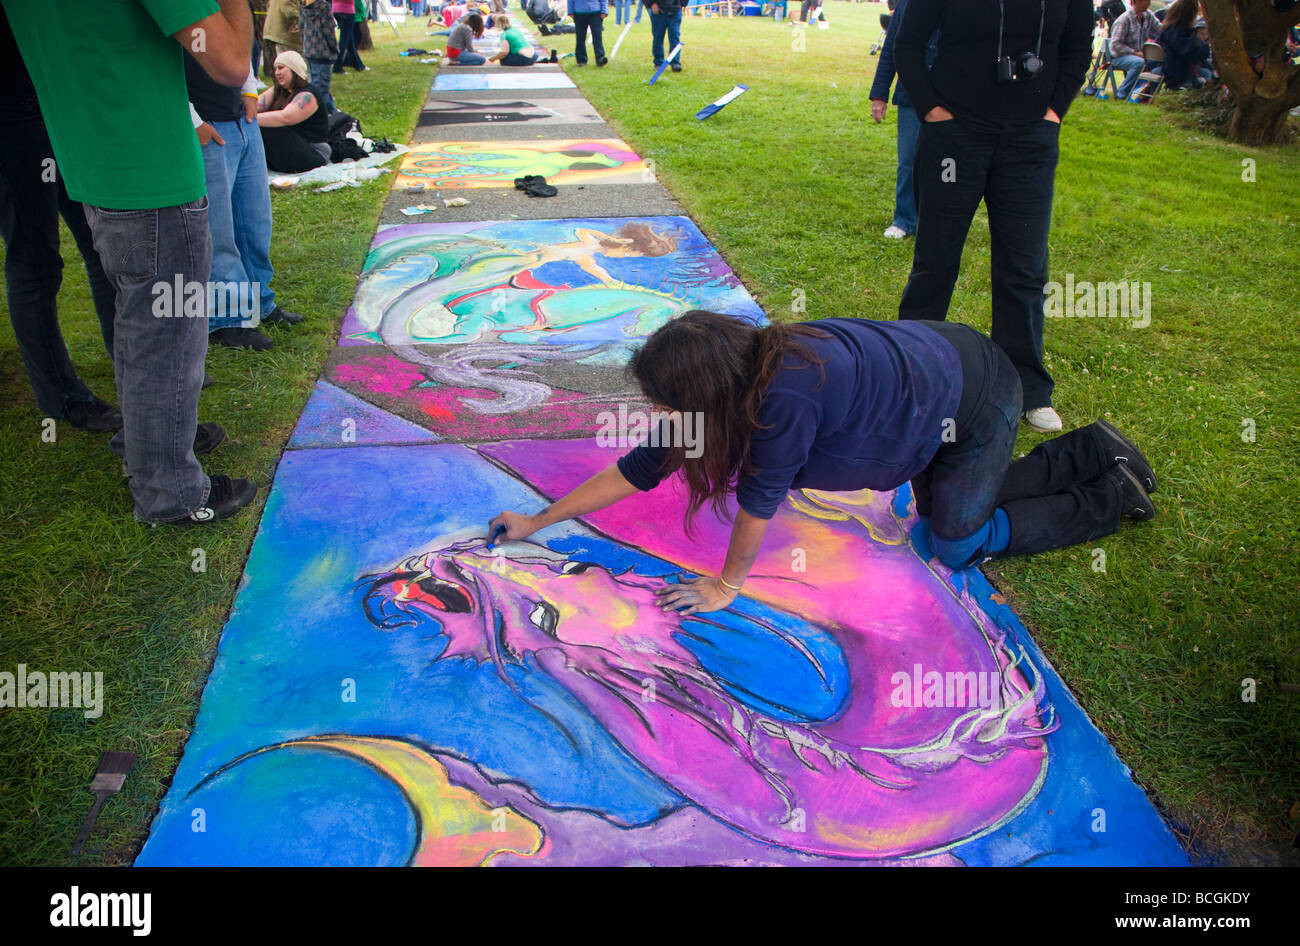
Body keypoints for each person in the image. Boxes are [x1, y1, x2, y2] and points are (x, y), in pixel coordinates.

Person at [488, 312, 1158, 614]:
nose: (666, 419)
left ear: (703, 395)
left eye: (668, 405)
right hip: (937, 384)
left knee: (953, 542)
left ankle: (1112, 493)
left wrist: (727, 586)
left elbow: (757, 509)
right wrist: (537, 521)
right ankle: (1093, 448)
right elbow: (636, 468)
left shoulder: (782, 403)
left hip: (976, 398)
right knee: (942, 514)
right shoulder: (733, 374)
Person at [3, 0, 259, 525]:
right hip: (152, 171)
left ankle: (152, 440)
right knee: (166, 335)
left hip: (95, 162)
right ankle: (169, 489)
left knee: (137, 318)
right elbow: (231, 63)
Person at [893, 0, 1094, 434]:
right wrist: (932, 110)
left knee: (1023, 267)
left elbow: (1079, 47)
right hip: (955, 134)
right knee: (936, 260)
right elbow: (906, 44)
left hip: (1030, 140)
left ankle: (1027, 388)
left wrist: (1054, 112)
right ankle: (910, 371)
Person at [0, 6, 120, 433]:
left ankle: (138, 369)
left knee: (104, 242)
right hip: (14, 111)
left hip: (60, 102)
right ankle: (61, 395)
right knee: (36, 263)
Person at [185, 55, 307, 352]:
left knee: (254, 221)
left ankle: (260, 303)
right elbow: (161, 62)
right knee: (220, 229)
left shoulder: (231, 8)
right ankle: (227, 319)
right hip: (206, 122)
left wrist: (249, 92)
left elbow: (239, 52)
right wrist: (192, 119)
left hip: (241, 119)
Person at [869, 0, 938, 240]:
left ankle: (941, 219)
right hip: (913, 94)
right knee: (909, 160)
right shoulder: (907, 4)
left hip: (953, 97)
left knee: (948, 163)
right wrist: (879, 94)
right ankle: (905, 219)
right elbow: (891, 48)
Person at [258, 51, 332, 171]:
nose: (277, 73)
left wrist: (251, 118)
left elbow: (286, 117)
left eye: (281, 68)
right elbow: (254, 106)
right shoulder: (278, 91)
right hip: (292, 148)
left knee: (265, 126)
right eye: (275, 69)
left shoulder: (308, 95)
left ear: (295, 70)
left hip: (314, 153)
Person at [1107, 0, 1161, 101]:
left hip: (1140, 55)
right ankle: (1122, 94)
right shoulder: (1124, 19)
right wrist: (1134, 52)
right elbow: (1115, 44)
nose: (1149, 3)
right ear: (1136, 1)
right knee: (1139, 63)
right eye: (1146, 0)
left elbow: (1160, 30)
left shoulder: (1149, 15)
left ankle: (1145, 94)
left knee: (1158, 62)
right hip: (1119, 57)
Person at [1158, 2, 1212, 89]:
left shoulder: (1167, 28)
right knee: (1208, 72)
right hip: (1177, 71)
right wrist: (1203, 43)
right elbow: (1190, 55)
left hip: (1163, 65)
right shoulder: (1180, 32)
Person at [299, 0, 338, 111]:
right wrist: (334, 47)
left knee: (316, 83)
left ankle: (332, 110)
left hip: (309, 50)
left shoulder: (304, 6)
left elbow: (301, 27)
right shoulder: (324, 7)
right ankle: (322, 113)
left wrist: (305, 45)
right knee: (321, 88)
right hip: (322, 52)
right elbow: (328, 30)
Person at [263, 0, 303, 76]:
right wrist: (305, 16)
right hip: (284, 34)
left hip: (275, 31)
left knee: (284, 63)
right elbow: (289, 12)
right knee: (289, 64)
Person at [569, 0, 609, 66]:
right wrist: (570, 11)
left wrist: (604, 10)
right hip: (579, 12)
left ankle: (600, 58)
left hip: (595, 12)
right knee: (580, 38)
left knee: (597, 37)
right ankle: (581, 60)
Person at [648, 0, 683, 72]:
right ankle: (658, 63)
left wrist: (682, 3)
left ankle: (675, 63)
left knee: (674, 35)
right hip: (658, 10)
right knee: (658, 37)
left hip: (675, 9)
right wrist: (651, 4)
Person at [333, 0, 366, 71]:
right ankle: (337, 66)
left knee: (349, 40)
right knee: (344, 41)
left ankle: (357, 64)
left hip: (336, 9)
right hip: (347, 10)